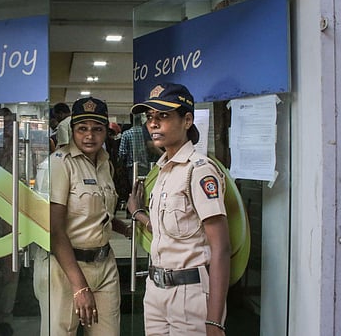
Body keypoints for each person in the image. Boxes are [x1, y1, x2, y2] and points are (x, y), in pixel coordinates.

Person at [127, 83, 231, 336]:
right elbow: (173, 229)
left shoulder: (199, 170)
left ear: (187, 120)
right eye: (150, 117)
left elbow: (221, 248)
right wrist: (138, 213)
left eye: (163, 116)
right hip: (155, 292)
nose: (153, 123)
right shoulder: (164, 169)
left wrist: (215, 321)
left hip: (189, 295)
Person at [34, 97, 132, 336]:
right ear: (72, 130)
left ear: (105, 132)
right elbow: (55, 230)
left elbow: (98, 214)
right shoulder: (58, 165)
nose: (90, 136)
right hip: (64, 268)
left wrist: (126, 228)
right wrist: (79, 286)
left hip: (104, 263)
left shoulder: (105, 163)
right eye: (83, 129)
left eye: (97, 129)